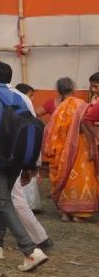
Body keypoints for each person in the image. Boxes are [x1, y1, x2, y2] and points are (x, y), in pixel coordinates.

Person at [0, 60, 49, 271]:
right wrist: (29, 164)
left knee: (3, 201)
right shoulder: (19, 97)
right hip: (16, 158)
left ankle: (30, 251)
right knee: (2, 199)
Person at [41, 76, 98, 220]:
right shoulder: (82, 104)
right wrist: (93, 143)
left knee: (64, 177)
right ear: (73, 88)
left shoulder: (58, 108)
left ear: (58, 91)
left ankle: (64, 213)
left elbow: (51, 131)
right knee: (80, 177)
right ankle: (79, 214)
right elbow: (85, 125)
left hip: (62, 150)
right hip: (80, 147)